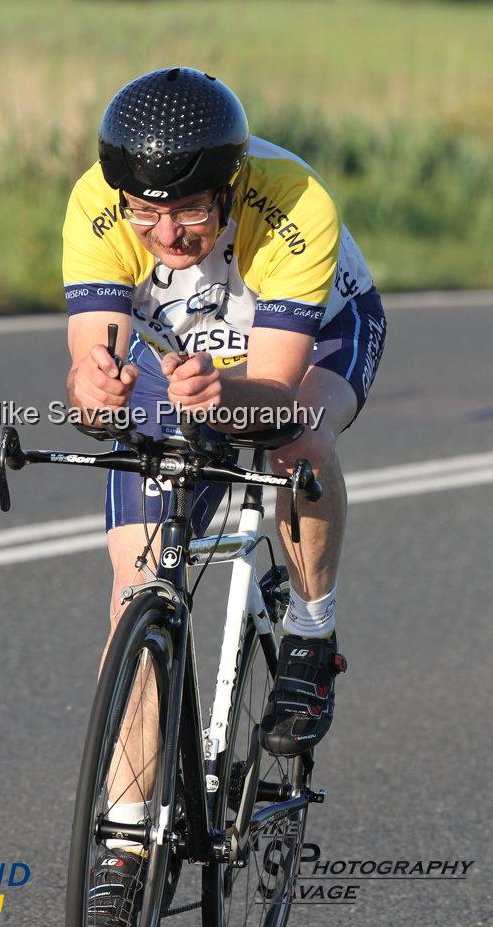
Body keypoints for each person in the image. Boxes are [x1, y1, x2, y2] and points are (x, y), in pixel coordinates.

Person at [62, 66, 386, 922]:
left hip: (302, 344)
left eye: (191, 212)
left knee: (298, 441)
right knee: (134, 579)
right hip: (182, 355)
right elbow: (89, 363)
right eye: (145, 211)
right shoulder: (98, 204)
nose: (166, 232)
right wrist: (91, 388)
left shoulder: (293, 202)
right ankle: (126, 841)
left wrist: (224, 399)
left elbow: (273, 395)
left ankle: (311, 639)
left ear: (231, 185)